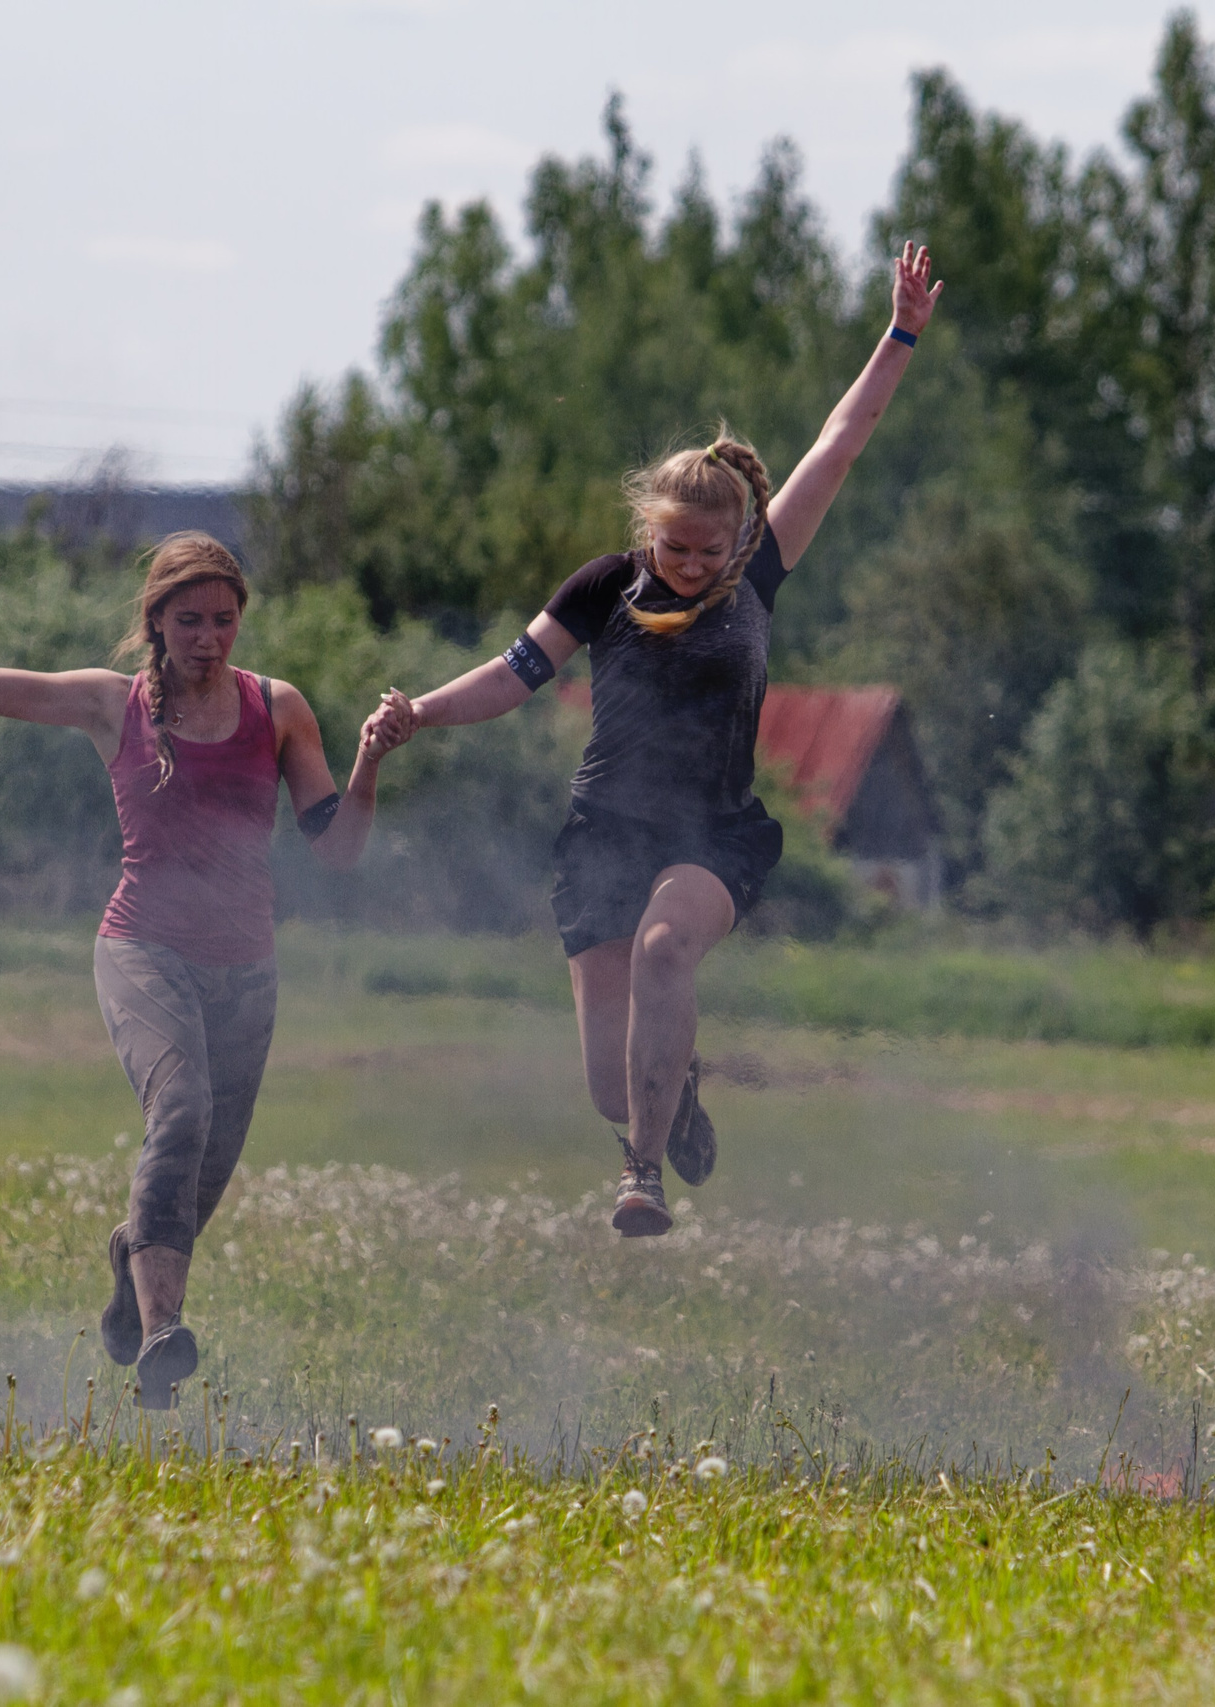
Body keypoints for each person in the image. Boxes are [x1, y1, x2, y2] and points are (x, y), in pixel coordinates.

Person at [364, 244, 943, 1237]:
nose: (690, 565)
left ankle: (642, 1177)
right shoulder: (604, 586)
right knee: (609, 1082)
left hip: (710, 833)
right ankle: (673, 1095)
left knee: (665, 950)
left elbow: (839, 443)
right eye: (673, 546)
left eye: (709, 550)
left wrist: (899, 333)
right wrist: (420, 712)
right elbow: (514, 673)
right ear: (648, 527)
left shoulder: (758, 573)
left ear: (739, 539)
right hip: (603, 834)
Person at [0, 491, 397, 1407]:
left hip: (247, 970)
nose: (208, 638)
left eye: (224, 620)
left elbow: (338, 850)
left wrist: (370, 762)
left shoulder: (279, 708)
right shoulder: (114, 705)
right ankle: (165, 1331)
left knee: (201, 1176)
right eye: (190, 620)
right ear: (156, 621)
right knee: (179, 1111)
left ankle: (131, 1275)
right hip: (143, 948)